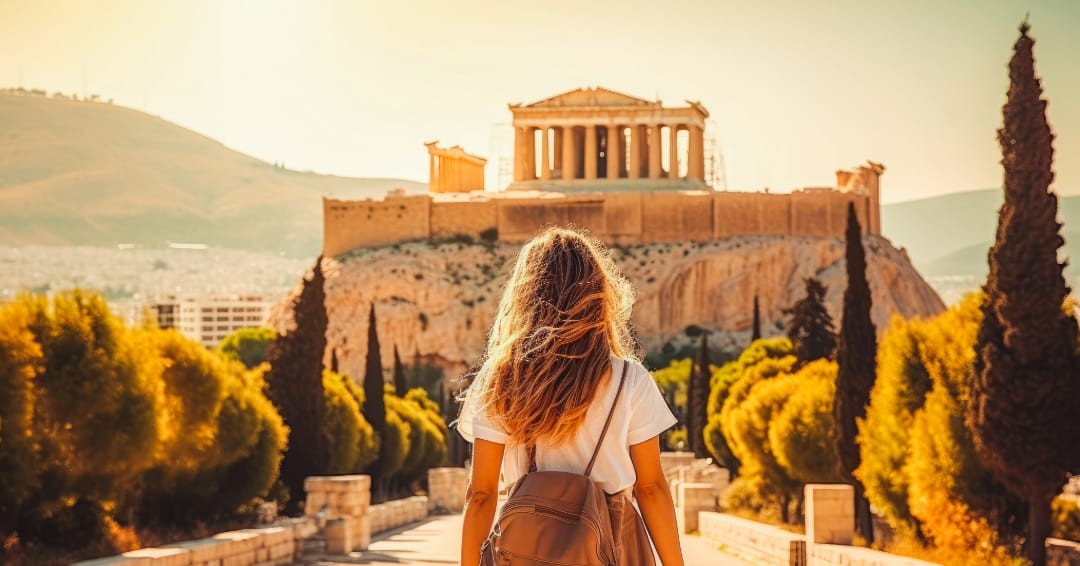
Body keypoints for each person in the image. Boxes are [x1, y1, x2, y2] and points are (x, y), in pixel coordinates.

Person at [457, 227, 685, 565]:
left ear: (526, 295)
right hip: (612, 551)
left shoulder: (501, 377)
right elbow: (650, 488)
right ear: (597, 294)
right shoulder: (629, 379)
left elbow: (481, 494)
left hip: (526, 550)